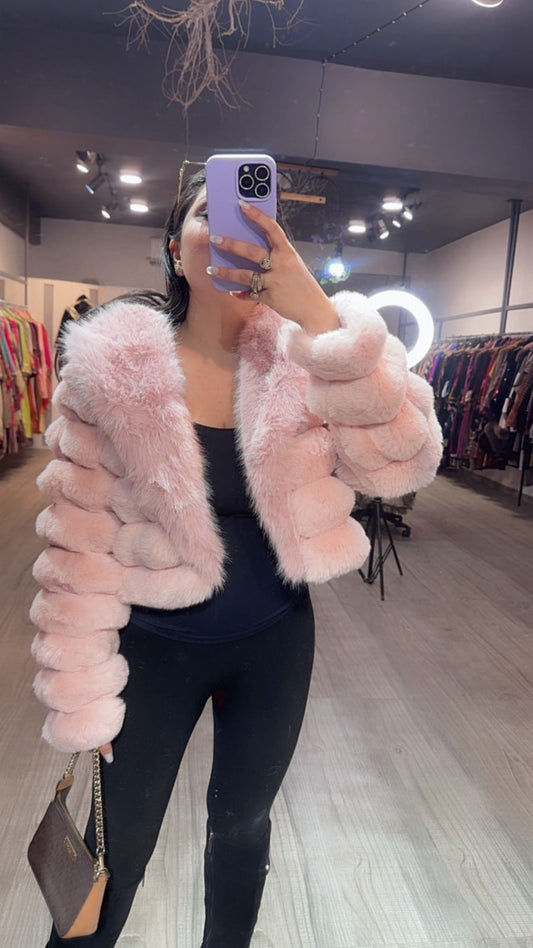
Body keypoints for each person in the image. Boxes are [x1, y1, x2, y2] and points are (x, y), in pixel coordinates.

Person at [30, 167, 442, 948]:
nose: (230, 229)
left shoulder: (307, 357)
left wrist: (323, 321)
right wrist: (80, 690)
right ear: (173, 248)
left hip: (274, 638)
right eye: (207, 213)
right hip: (154, 645)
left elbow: (404, 463)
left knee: (243, 830)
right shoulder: (110, 370)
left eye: (255, 215)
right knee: (116, 848)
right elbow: (76, 538)